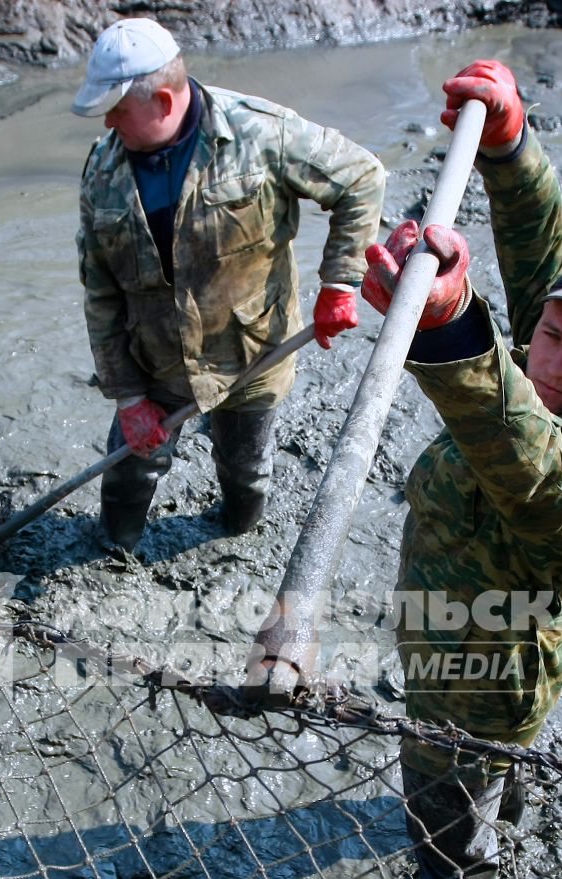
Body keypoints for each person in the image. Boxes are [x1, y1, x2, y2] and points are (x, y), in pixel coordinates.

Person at [359, 60, 562, 879]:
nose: (553, 362)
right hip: (449, 618)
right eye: (548, 334)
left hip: (483, 664)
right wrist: (509, 147)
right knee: (487, 786)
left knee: (448, 814)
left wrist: (454, 325)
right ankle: (494, 818)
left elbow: (534, 465)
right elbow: (543, 261)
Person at [73, 18, 385, 550]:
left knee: (245, 471)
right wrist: (128, 399)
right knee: (128, 472)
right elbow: (101, 296)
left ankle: (234, 532)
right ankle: (113, 548)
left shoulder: (261, 134)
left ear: (164, 103)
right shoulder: (103, 170)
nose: (107, 122)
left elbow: (361, 178)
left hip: (252, 355)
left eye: (118, 110)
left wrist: (339, 283)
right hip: (155, 363)